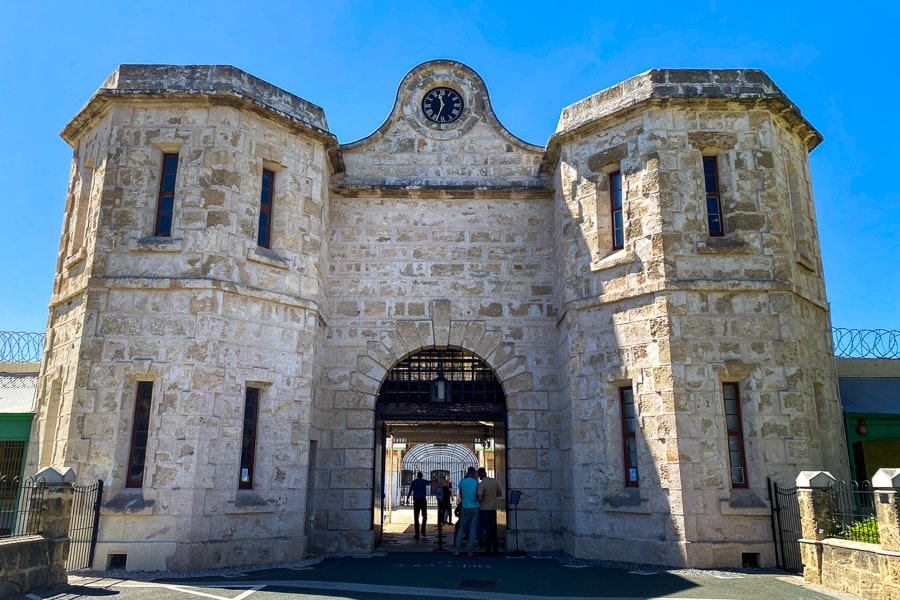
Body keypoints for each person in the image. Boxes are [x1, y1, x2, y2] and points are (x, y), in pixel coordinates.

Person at [453, 466, 480, 556]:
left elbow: (461, 494)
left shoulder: (462, 482)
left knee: (461, 528)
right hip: (475, 507)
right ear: (473, 473)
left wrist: (464, 500)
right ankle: (470, 551)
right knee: (473, 529)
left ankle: (457, 550)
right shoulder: (476, 483)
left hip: (465, 507)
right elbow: (478, 494)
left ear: (468, 473)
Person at [477, 466, 502, 555]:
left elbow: (480, 498)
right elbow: (500, 493)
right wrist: (492, 497)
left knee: (487, 530)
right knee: (494, 529)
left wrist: (484, 498)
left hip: (484, 509)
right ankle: (496, 548)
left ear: (480, 474)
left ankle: (488, 549)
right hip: (493, 508)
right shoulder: (494, 481)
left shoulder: (482, 484)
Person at [406, 471, 429, 537]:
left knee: (416, 517)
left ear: (417, 476)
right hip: (423, 500)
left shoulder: (414, 482)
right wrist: (434, 480)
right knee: (424, 516)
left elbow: (410, 490)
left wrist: (407, 499)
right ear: (422, 476)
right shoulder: (424, 481)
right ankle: (423, 531)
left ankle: (417, 533)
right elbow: (430, 482)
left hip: (416, 501)